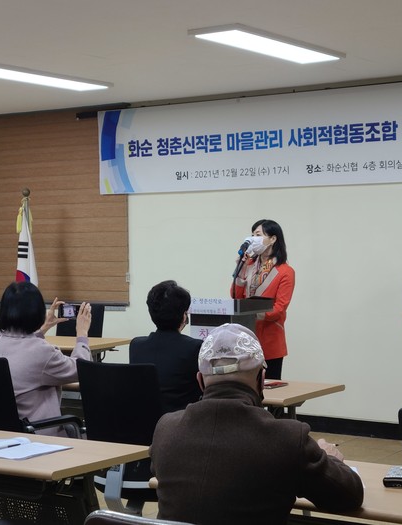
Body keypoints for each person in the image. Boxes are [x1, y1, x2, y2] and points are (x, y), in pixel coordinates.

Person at [150, 323, 363, 525]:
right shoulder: (287, 438)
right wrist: (330, 458)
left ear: (200, 380)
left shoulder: (166, 429)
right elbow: (349, 496)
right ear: (262, 380)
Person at [0, 281, 92, 436]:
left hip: (1, 435)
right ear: (38, 312)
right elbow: (81, 369)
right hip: (39, 435)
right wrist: (82, 334)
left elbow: (23, 347)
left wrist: (43, 329)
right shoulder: (42, 352)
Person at [232, 219, 295, 379]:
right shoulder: (248, 265)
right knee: (246, 386)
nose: (254, 239)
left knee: (270, 387)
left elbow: (280, 308)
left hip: (270, 338)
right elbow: (236, 297)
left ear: (273, 239)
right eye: (252, 235)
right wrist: (240, 271)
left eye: (258, 235)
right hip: (245, 338)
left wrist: (252, 314)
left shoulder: (285, 271)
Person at [129, 280, 202, 414]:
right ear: (184, 316)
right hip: (181, 422)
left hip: (142, 422)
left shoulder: (136, 346)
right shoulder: (195, 347)